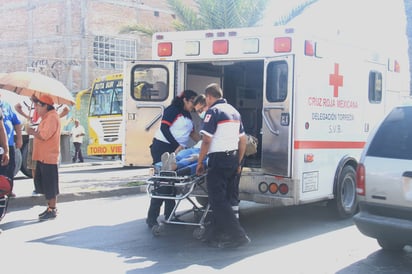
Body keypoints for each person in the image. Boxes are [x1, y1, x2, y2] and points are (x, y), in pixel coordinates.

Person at [196, 83, 249, 248]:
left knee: (217, 200)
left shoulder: (213, 111)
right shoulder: (234, 112)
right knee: (223, 199)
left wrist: (199, 162)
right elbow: (243, 140)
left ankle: (238, 236)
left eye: (207, 99)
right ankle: (213, 234)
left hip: (218, 161)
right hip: (232, 159)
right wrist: (239, 162)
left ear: (209, 97)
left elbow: (206, 140)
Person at [146, 89, 200, 228]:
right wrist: (177, 146)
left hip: (176, 151)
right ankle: (152, 218)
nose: (194, 105)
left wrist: (203, 143)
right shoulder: (172, 110)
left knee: (172, 184)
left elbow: (192, 133)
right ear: (185, 100)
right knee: (163, 184)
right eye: (192, 102)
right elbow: (164, 129)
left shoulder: (187, 114)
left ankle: (170, 215)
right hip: (163, 148)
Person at [15, 98, 69, 196]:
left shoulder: (52, 113)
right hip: (36, 138)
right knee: (34, 164)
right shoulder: (31, 104)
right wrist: (28, 117)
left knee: (47, 171)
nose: (36, 108)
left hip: (45, 145)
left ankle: (51, 205)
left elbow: (66, 109)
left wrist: (57, 116)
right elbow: (17, 106)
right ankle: (38, 188)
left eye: (38, 106)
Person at [26, 94, 62, 221]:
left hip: (48, 157)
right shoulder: (47, 117)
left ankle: (52, 209)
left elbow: (44, 135)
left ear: (46, 106)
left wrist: (32, 132)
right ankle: (49, 208)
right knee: (45, 184)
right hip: (43, 156)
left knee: (50, 184)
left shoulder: (52, 117)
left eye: (38, 105)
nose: (36, 108)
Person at [0, 95, 22, 197]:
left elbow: (16, 123)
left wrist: (19, 138)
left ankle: (8, 190)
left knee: (10, 167)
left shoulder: (6, 105)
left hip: (8, 143)